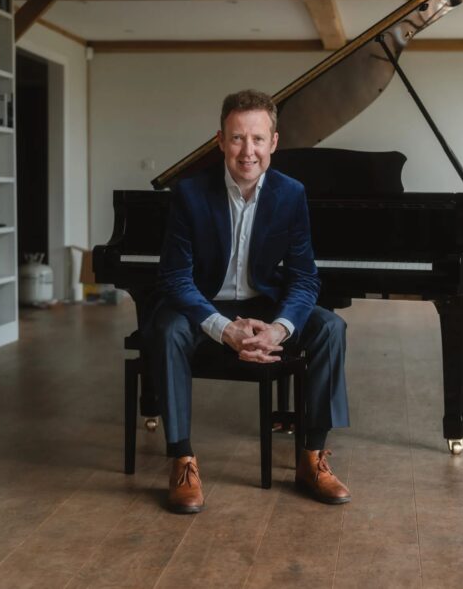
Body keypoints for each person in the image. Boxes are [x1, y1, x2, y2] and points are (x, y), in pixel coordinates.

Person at [145, 88, 350, 514]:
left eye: (258, 139)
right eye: (237, 138)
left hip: (265, 304)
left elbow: (304, 277)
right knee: (165, 328)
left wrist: (279, 328)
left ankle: (312, 458)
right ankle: (183, 460)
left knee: (331, 326)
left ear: (274, 142)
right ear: (219, 140)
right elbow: (175, 278)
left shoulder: (291, 194)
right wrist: (224, 328)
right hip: (204, 303)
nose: (247, 151)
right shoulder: (190, 193)